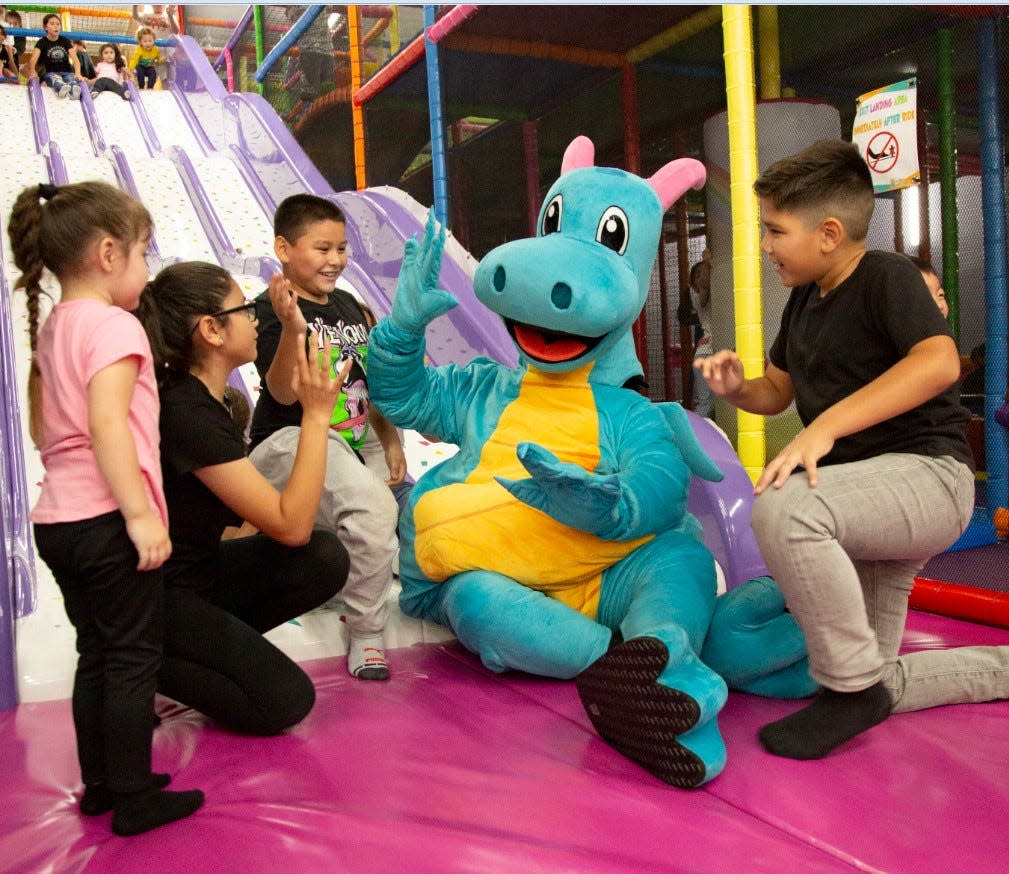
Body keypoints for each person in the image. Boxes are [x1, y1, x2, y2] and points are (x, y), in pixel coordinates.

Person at [697, 139, 1009, 761]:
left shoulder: (885, 277)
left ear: (830, 233)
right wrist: (739, 388)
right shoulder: (805, 301)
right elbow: (778, 390)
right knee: (868, 672)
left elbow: (941, 359)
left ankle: (853, 689)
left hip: (929, 479)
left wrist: (828, 427)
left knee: (783, 506)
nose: (764, 244)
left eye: (775, 230)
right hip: (867, 503)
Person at [7, 181, 204, 836]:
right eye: (145, 254)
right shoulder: (115, 326)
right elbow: (108, 425)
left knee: (97, 652)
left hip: (58, 522)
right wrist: (140, 513)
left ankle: (101, 784)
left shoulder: (57, 324)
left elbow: (44, 430)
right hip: (105, 520)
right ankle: (133, 798)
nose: (147, 271)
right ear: (109, 253)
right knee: (130, 659)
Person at [133, 261, 351, 735]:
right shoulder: (186, 411)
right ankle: (140, 661)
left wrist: (294, 326)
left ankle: (207, 652)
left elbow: (264, 525)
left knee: (325, 556)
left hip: (200, 577)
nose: (255, 318)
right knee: (285, 701)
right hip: (158, 600)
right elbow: (290, 525)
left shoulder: (199, 398)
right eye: (245, 309)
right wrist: (315, 417)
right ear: (211, 330)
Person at [248, 194, 403, 681]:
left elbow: (368, 380)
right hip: (289, 440)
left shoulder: (349, 306)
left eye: (342, 248)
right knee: (375, 509)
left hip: (348, 445)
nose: (335, 260)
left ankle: (338, 587)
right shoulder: (269, 309)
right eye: (322, 248)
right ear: (284, 248)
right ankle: (366, 633)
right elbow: (279, 389)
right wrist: (294, 328)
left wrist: (390, 439)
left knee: (397, 525)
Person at [26, 13, 82, 100]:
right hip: (51, 72)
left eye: (58, 24)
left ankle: (73, 90)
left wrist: (78, 73)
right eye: (52, 24)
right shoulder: (42, 42)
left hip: (66, 71)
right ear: (45, 27)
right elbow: (33, 59)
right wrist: (33, 71)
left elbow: (75, 60)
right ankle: (60, 87)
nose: (56, 26)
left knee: (71, 78)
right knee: (52, 78)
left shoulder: (65, 41)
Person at [689, 248, 715, 418]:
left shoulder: (715, 291)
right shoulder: (700, 295)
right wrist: (707, 263)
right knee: (707, 403)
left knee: (711, 402)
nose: (702, 276)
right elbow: (705, 284)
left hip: (706, 353)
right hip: (705, 354)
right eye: (697, 275)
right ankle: (695, 435)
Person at [129, 25, 162, 90]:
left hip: (149, 67)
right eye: (145, 41)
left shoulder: (155, 50)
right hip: (140, 66)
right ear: (140, 42)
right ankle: (141, 86)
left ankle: (150, 87)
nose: (148, 43)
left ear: (153, 41)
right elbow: (134, 59)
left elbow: (158, 58)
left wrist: (161, 59)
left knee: (153, 73)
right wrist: (131, 68)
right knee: (140, 71)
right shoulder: (139, 50)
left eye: (150, 41)